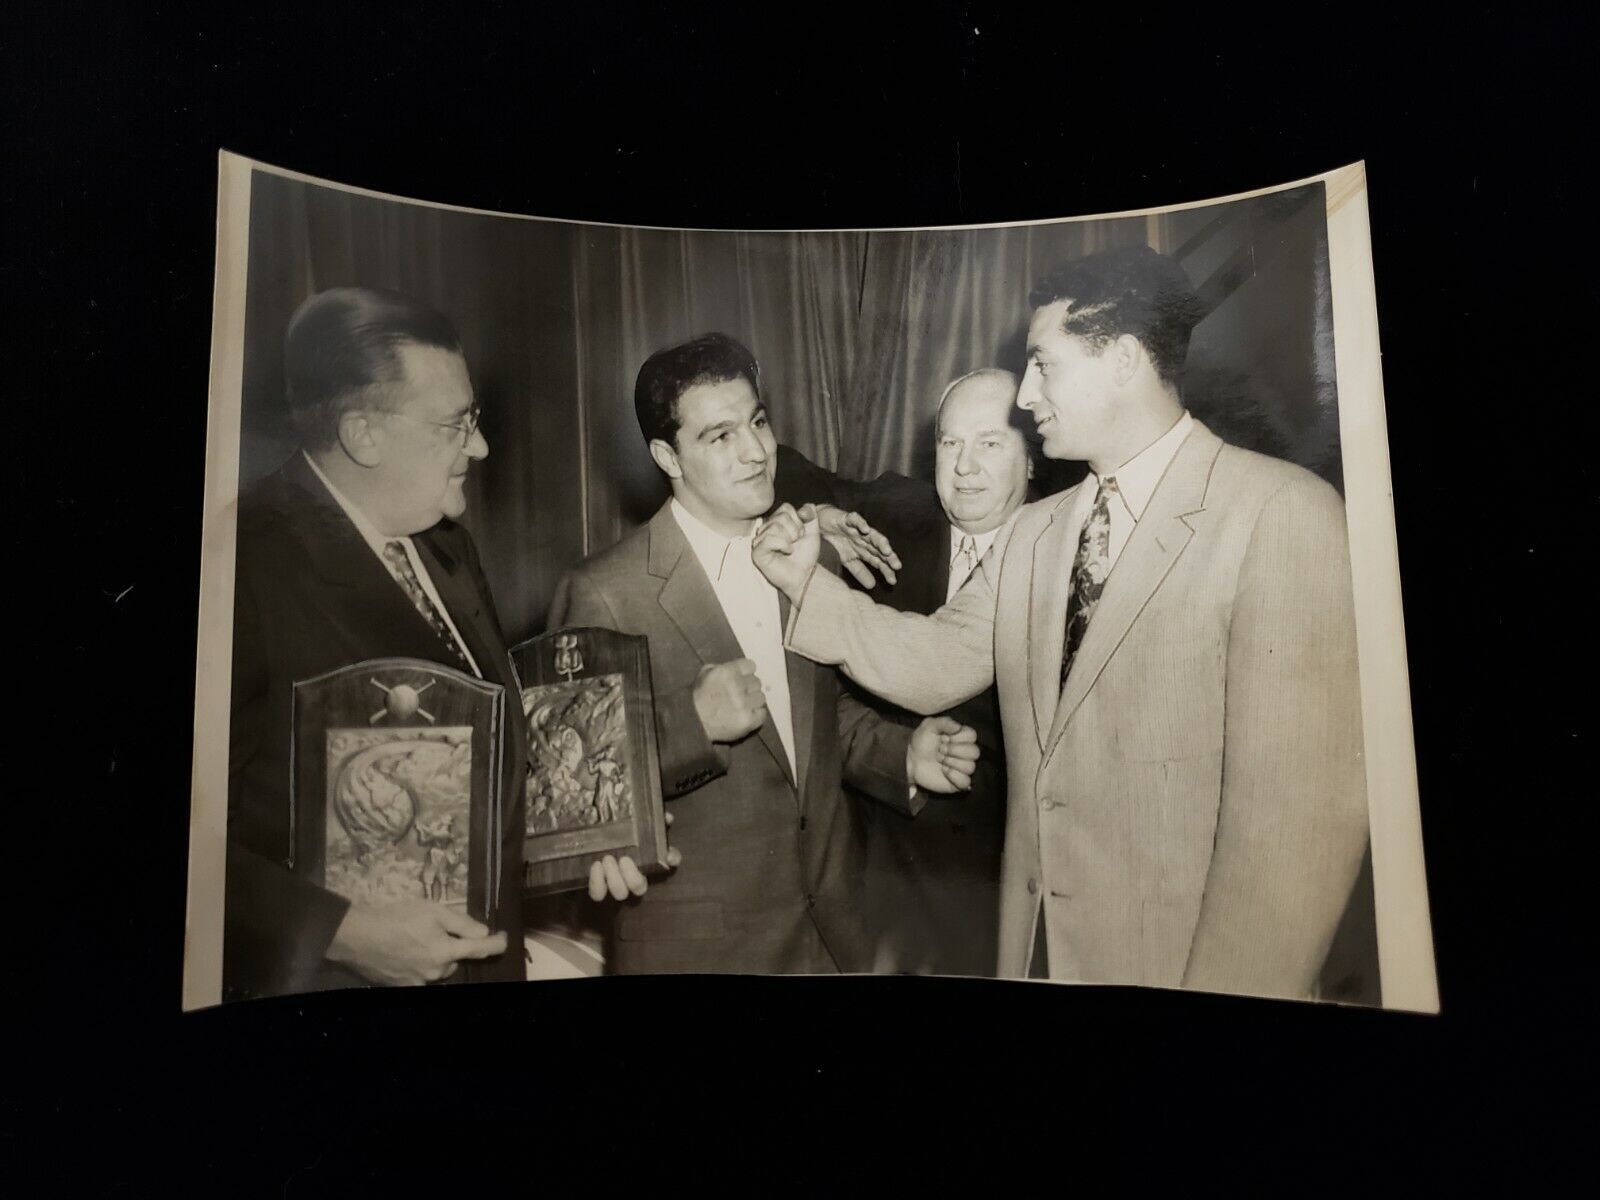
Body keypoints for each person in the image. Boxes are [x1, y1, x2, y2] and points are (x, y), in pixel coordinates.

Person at [753, 245, 1370, 1001]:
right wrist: (801, 585)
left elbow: (1296, 840)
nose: (1025, 395)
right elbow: (933, 661)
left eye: (1044, 364)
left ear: (1121, 359)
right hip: (1035, 956)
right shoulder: (1034, 533)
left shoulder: (1281, 514)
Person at [225, 286, 660, 1000]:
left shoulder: (446, 546)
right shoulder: (243, 560)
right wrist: (340, 933)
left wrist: (591, 842)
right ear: (364, 434)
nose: (481, 446)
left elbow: (492, 769)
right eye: (455, 425)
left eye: (476, 418)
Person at [547, 332, 979, 974]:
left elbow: (820, 722)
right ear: (667, 455)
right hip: (700, 953)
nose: (756, 452)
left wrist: (903, 755)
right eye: (720, 437)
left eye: (757, 421)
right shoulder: (604, 592)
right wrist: (693, 723)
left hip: (832, 937)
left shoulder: (809, 556)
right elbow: (565, 794)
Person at [844, 368, 1032, 977]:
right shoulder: (885, 526)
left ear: (1033, 461)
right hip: (887, 866)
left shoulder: (1068, 549)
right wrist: (819, 516)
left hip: (1011, 880)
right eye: (951, 443)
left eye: (991, 443)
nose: (966, 466)